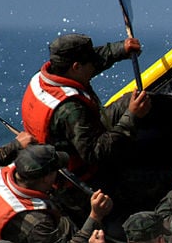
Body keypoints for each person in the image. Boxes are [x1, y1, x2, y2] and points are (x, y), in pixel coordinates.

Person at [20, 32, 151, 213]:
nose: (94, 66)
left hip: (86, 137)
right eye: (90, 62)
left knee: (138, 101)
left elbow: (92, 62)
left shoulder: (50, 75)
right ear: (76, 67)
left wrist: (121, 48)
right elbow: (96, 153)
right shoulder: (70, 109)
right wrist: (132, 116)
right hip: (83, 181)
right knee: (150, 182)